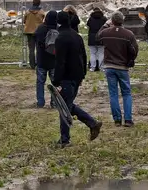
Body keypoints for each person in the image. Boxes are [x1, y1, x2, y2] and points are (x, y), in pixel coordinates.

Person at [52, 10, 103, 146]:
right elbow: (84, 56)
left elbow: (60, 61)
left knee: (64, 108)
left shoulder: (60, 38)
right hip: (76, 76)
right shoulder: (77, 36)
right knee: (67, 105)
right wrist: (83, 75)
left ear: (58, 22)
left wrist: (56, 80)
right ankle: (92, 123)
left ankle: (65, 139)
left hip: (66, 77)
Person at [98, 11, 138, 126]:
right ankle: (128, 119)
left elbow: (97, 37)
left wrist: (105, 25)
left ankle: (117, 119)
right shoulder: (128, 34)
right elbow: (134, 50)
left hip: (109, 66)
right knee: (126, 93)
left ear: (112, 21)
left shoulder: (106, 32)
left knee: (113, 93)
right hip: (122, 66)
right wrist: (130, 60)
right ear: (122, 20)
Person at [34, 10, 60, 108]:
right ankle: (54, 102)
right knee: (55, 83)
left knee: (40, 82)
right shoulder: (58, 29)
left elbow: (35, 39)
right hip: (54, 60)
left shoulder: (40, 28)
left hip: (42, 60)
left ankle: (40, 102)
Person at [22, 0, 45, 70]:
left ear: (33, 3)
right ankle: (39, 63)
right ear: (39, 4)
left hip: (29, 32)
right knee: (39, 49)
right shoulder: (41, 12)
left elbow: (24, 21)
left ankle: (32, 65)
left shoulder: (27, 12)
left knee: (31, 49)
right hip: (39, 32)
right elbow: (44, 20)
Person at [86, 8, 107, 73]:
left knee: (92, 53)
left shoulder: (91, 19)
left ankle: (92, 67)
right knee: (101, 53)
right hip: (101, 37)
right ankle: (101, 67)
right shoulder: (104, 19)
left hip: (92, 38)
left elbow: (88, 26)